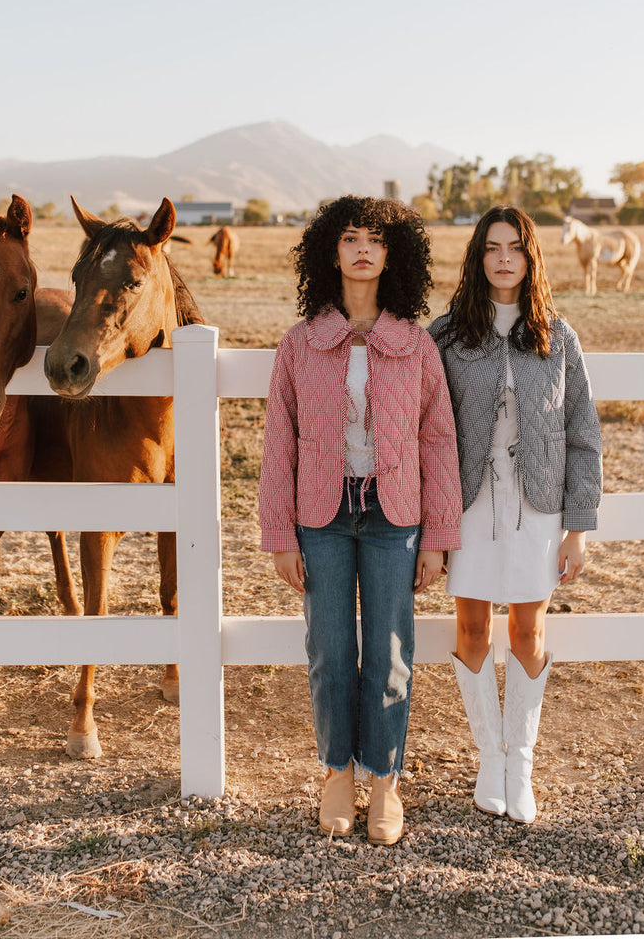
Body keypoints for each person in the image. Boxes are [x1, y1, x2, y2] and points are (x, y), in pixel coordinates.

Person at [258, 196, 462, 844]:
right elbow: (277, 445)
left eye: (375, 239)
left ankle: (384, 782)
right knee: (329, 653)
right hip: (319, 515)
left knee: (390, 653)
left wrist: (439, 537)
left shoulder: (417, 345)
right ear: (331, 251)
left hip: (392, 515)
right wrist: (278, 535)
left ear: (393, 253)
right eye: (350, 238)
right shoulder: (299, 345)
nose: (363, 249)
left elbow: (439, 442)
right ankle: (335, 773)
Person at [428, 206, 602, 824]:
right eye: (492, 248)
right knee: (472, 632)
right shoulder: (446, 335)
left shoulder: (558, 337)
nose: (504, 258)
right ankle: (489, 759)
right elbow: (427, 432)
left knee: (528, 634)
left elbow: (584, 435)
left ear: (531, 258)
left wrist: (577, 528)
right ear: (478, 258)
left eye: (515, 248)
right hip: (470, 508)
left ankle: (520, 764)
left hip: (539, 509)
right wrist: (433, 523)